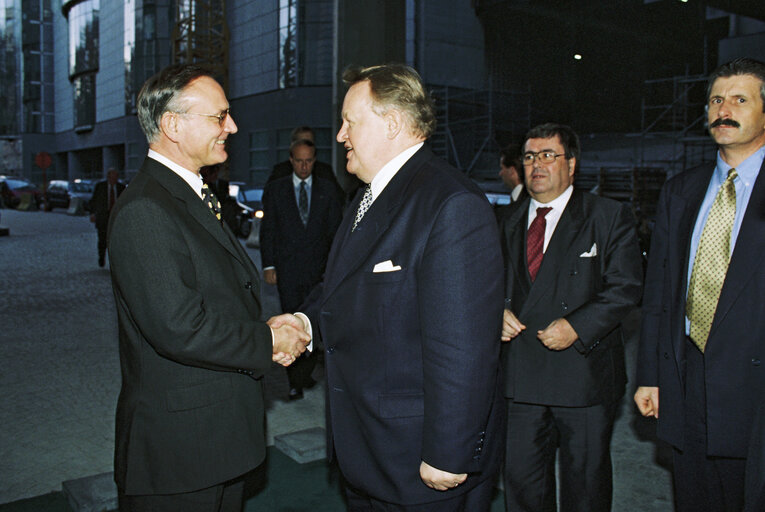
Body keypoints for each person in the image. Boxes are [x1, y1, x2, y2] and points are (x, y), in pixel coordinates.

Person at [291, 63, 505, 511]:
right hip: (368, 449)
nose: (340, 135)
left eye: (350, 121)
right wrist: (304, 322)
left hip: (419, 462)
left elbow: (463, 346)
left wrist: (449, 451)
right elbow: (343, 288)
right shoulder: (368, 196)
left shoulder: (450, 204)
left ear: (391, 123)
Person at [107, 63, 311, 512]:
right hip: (181, 452)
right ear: (172, 125)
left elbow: (220, 296)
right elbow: (179, 327)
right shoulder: (146, 209)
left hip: (213, 440)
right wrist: (269, 339)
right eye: (219, 117)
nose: (232, 127)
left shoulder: (185, 194)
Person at [634, 57, 765, 512]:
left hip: (754, 396)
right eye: (715, 99)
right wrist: (650, 375)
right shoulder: (681, 190)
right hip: (686, 384)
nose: (723, 109)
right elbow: (658, 295)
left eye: (740, 99)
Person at [499, 123, 643, 512]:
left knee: (586, 489)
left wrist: (577, 326)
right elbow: (479, 283)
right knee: (523, 488)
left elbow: (626, 287)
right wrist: (495, 311)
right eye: (529, 157)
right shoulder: (503, 221)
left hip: (584, 378)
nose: (537, 165)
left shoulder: (607, 216)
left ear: (572, 164)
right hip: (520, 381)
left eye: (548, 155)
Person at [260, 137, 342, 400]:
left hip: (319, 273)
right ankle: (294, 380)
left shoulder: (328, 190)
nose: (304, 167)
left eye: (309, 161)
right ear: (291, 160)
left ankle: (306, 374)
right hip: (288, 270)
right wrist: (269, 265)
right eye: (299, 161)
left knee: (316, 323)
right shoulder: (276, 190)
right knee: (293, 322)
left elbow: (335, 234)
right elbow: (268, 229)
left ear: (314, 161)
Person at [267, 125, 342, 193]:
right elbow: (268, 197)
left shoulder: (325, 171)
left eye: (309, 143)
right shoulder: (280, 171)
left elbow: (339, 198)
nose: (305, 147)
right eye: (301, 143)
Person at [89, 167, 125, 267]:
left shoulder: (121, 188)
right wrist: (92, 213)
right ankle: (101, 258)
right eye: (112, 176)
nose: (114, 178)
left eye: (116, 176)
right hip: (103, 217)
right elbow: (93, 201)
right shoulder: (100, 187)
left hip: (116, 218)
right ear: (108, 176)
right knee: (102, 239)